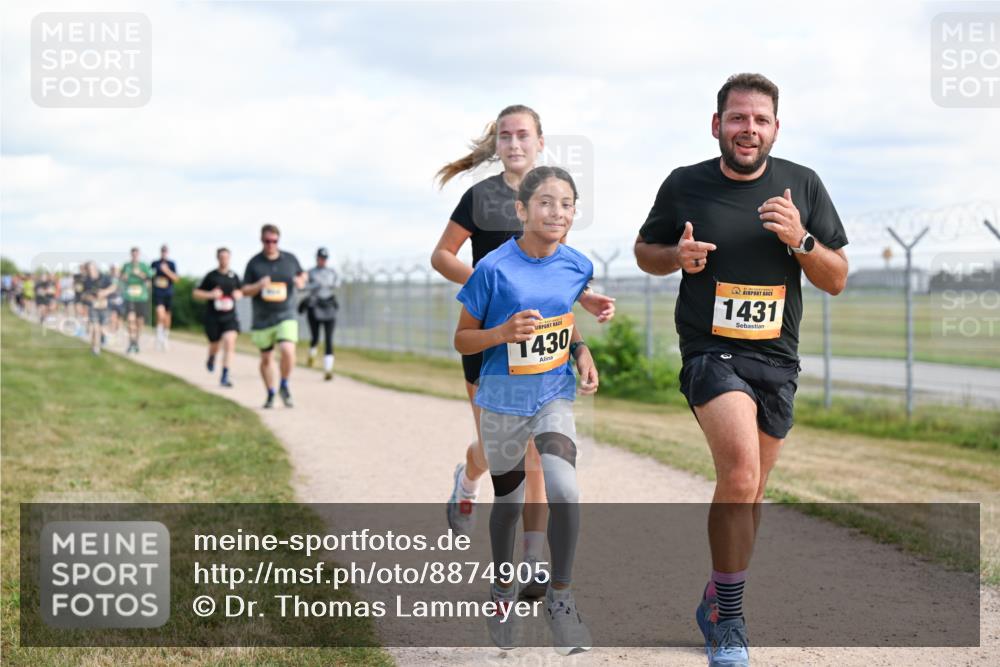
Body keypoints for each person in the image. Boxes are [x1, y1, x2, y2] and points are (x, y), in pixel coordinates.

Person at [634, 73, 849, 667]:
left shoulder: (803, 185)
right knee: (740, 472)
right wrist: (675, 256)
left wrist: (801, 239)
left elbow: (836, 278)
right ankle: (729, 621)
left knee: (752, 491)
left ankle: (715, 598)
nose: (748, 129)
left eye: (759, 119)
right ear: (717, 125)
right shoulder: (685, 184)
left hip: (777, 358)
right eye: (737, 118)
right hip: (710, 351)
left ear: (776, 128)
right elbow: (645, 253)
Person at [431, 105, 614, 599]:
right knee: (497, 452)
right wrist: (491, 286)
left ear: (540, 142)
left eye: (523, 135)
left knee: (536, 453)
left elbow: (553, 276)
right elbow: (441, 256)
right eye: (505, 136)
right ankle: (467, 479)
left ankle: (532, 562)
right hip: (490, 340)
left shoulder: (550, 196)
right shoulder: (480, 197)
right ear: (497, 145)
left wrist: (583, 300)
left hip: (539, 350)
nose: (514, 144)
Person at [455, 166, 597, 654]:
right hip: (502, 400)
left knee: (565, 490)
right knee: (509, 505)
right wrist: (501, 333)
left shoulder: (578, 265)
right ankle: (501, 594)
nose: (557, 212)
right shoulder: (493, 268)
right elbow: (462, 338)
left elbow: (565, 317)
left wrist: (582, 352)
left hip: (553, 395)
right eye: (545, 202)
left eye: (566, 204)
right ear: (522, 209)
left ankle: (562, 599)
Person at [241, 224, 306, 408]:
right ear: (261, 240)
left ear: (278, 240)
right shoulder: (254, 263)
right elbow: (244, 290)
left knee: (287, 349)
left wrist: (301, 280)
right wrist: (258, 285)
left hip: (286, 313)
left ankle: (284, 384)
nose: (270, 244)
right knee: (266, 358)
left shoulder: (290, 259)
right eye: (267, 241)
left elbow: (303, 275)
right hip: (263, 318)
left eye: (274, 241)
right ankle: (270, 393)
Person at [193, 247, 242, 387]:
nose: (224, 260)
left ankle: (225, 375)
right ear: (217, 258)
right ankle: (211, 356)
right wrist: (210, 295)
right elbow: (196, 293)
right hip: (213, 317)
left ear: (229, 258)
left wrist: (239, 294)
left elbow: (241, 290)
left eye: (226, 257)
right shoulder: (211, 276)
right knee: (215, 344)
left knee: (229, 341)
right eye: (222, 257)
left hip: (230, 317)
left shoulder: (234, 276)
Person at [302, 247, 340, 380]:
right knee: (315, 337)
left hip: (328, 306)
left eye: (325, 258)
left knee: (329, 339)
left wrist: (330, 284)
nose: (323, 260)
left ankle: (328, 370)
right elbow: (302, 286)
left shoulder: (332, 272)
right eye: (321, 258)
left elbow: (337, 283)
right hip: (315, 306)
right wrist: (315, 285)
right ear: (317, 258)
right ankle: (311, 355)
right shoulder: (310, 272)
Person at [121, 247, 153, 354]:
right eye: (133, 254)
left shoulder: (144, 266)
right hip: (129, 297)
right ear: (131, 255)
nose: (134, 256)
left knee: (140, 322)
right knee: (130, 320)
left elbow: (149, 279)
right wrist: (124, 276)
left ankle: (136, 342)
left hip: (141, 297)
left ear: (139, 255)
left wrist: (139, 273)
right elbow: (121, 278)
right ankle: (131, 341)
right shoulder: (126, 266)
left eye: (136, 254)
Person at [81, 262, 116, 355]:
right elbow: (83, 295)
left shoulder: (105, 277)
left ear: (96, 269)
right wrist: (90, 298)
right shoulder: (86, 281)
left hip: (105, 307)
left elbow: (114, 287)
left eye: (92, 269)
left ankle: (103, 337)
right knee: (95, 328)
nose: (91, 272)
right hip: (93, 307)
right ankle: (95, 349)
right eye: (89, 270)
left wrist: (105, 292)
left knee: (102, 328)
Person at [151, 244, 179, 350]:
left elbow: (176, 278)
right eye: (162, 251)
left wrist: (166, 270)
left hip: (168, 293)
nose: (164, 253)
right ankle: (159, 336)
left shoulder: (171, 264)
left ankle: (165, 336)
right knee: (160, 313)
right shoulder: (155, 263)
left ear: (168, 252)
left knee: (167, 316)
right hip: (158, 293)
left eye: (165, 251)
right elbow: (150, 276)